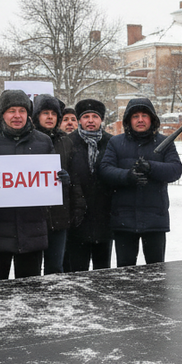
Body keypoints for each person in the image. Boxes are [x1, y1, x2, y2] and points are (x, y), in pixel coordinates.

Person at [0, 90, 54, 280]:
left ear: (28, 114)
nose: (17, 116)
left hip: (32, 230)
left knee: (30, 289)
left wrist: (60, 177)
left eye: (22, 110)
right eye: (11, 111)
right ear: (2, 114)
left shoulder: (44, 142)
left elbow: (50, 174)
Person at [100, 98, 182, 266]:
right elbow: (105, 170)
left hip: (155, 219)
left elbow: (175, 170)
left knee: (156, 271)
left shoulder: (164, 143)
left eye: (144, 115)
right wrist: (127, 176)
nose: (140, 120)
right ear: (128, 120)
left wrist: (151, 167)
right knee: (125, 272)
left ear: (152, 119)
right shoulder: (116, 142)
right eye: (135, 116)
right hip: (124, 219)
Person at [32, 95, 83, 274]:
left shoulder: (65, 141)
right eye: (45, 113)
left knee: (55, 267)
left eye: (54, 114)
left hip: (59, 214)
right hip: (32, 217)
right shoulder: (27, 140)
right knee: (32, 269)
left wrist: (77, 205)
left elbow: (75, 177)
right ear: (37, 116)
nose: (50, 117)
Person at [64, 99, 114, 272]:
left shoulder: (112, 143)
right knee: (77, 271)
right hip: (77, 218)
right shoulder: (68, 142)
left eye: (95, 116)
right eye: (86, 117)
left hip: (104, 216)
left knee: (103, 271)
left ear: (102, 120)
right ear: (79, 120)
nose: (90, 120)